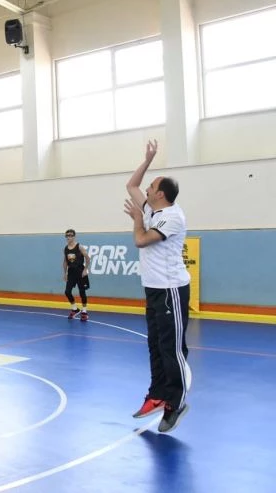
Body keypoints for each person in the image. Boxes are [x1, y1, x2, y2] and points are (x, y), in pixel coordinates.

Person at [125, 139, 191, 434]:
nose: (147, 189)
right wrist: (148, 160)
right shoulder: (153, 210)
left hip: (170, 290)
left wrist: (137, 220)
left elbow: (141, 240)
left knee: (171, 348)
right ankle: (157, 394)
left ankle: (176, 403)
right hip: (152, 289)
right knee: (154, 344)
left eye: (151, 186)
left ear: (160, 194)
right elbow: (131, 185)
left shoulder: (172, 217)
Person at [62, 229, 91, 321]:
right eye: (67, 235)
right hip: (71, 272)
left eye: (70, 235)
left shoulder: (79, 247)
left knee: (82, 292)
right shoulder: (65, 249)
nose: (69, 237)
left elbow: (87, 258)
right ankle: (75, 309)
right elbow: (65, 262)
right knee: (67, 292)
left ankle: (84, 312)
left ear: (74, 236)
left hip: (80, 271)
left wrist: (85, 269)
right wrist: (65, 273)